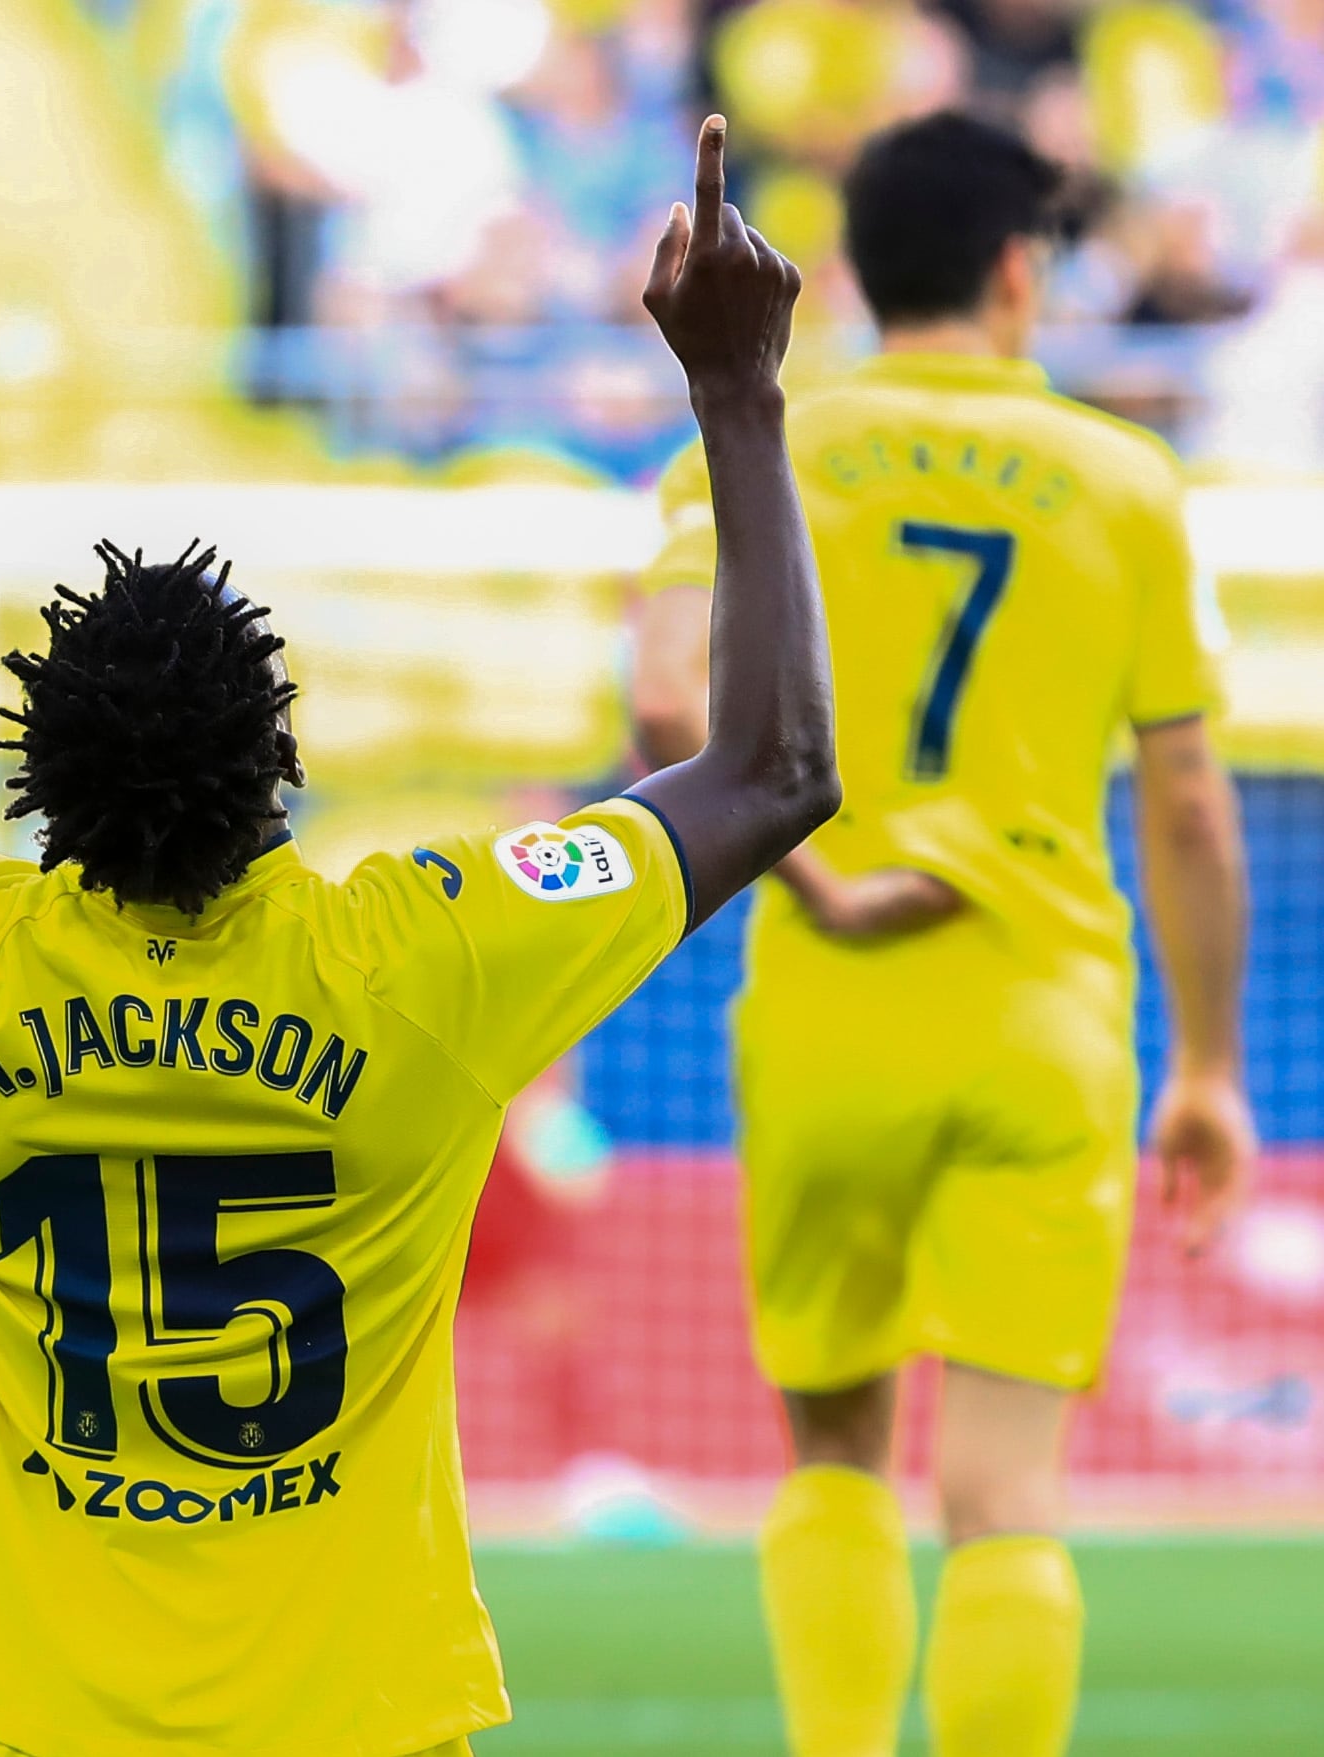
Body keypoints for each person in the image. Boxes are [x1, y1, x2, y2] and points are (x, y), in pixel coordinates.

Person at [0, 121, 832, 1757]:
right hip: (360, 1719)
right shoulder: (427, 956)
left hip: (33, 1721)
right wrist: (738, 396)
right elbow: (773, 771)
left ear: (39, 788)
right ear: (280, 764)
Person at [629, 110, 1254, 1757]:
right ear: (1014, 269)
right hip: (1041, 1005)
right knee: (1006, 1493)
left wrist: (819, 882)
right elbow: (1188, 802)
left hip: (830, 1009)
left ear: (854, 271)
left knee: (834, 1457)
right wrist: (1205, 1066)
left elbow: (655, 709)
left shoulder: (761, 439)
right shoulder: (1124, 477)